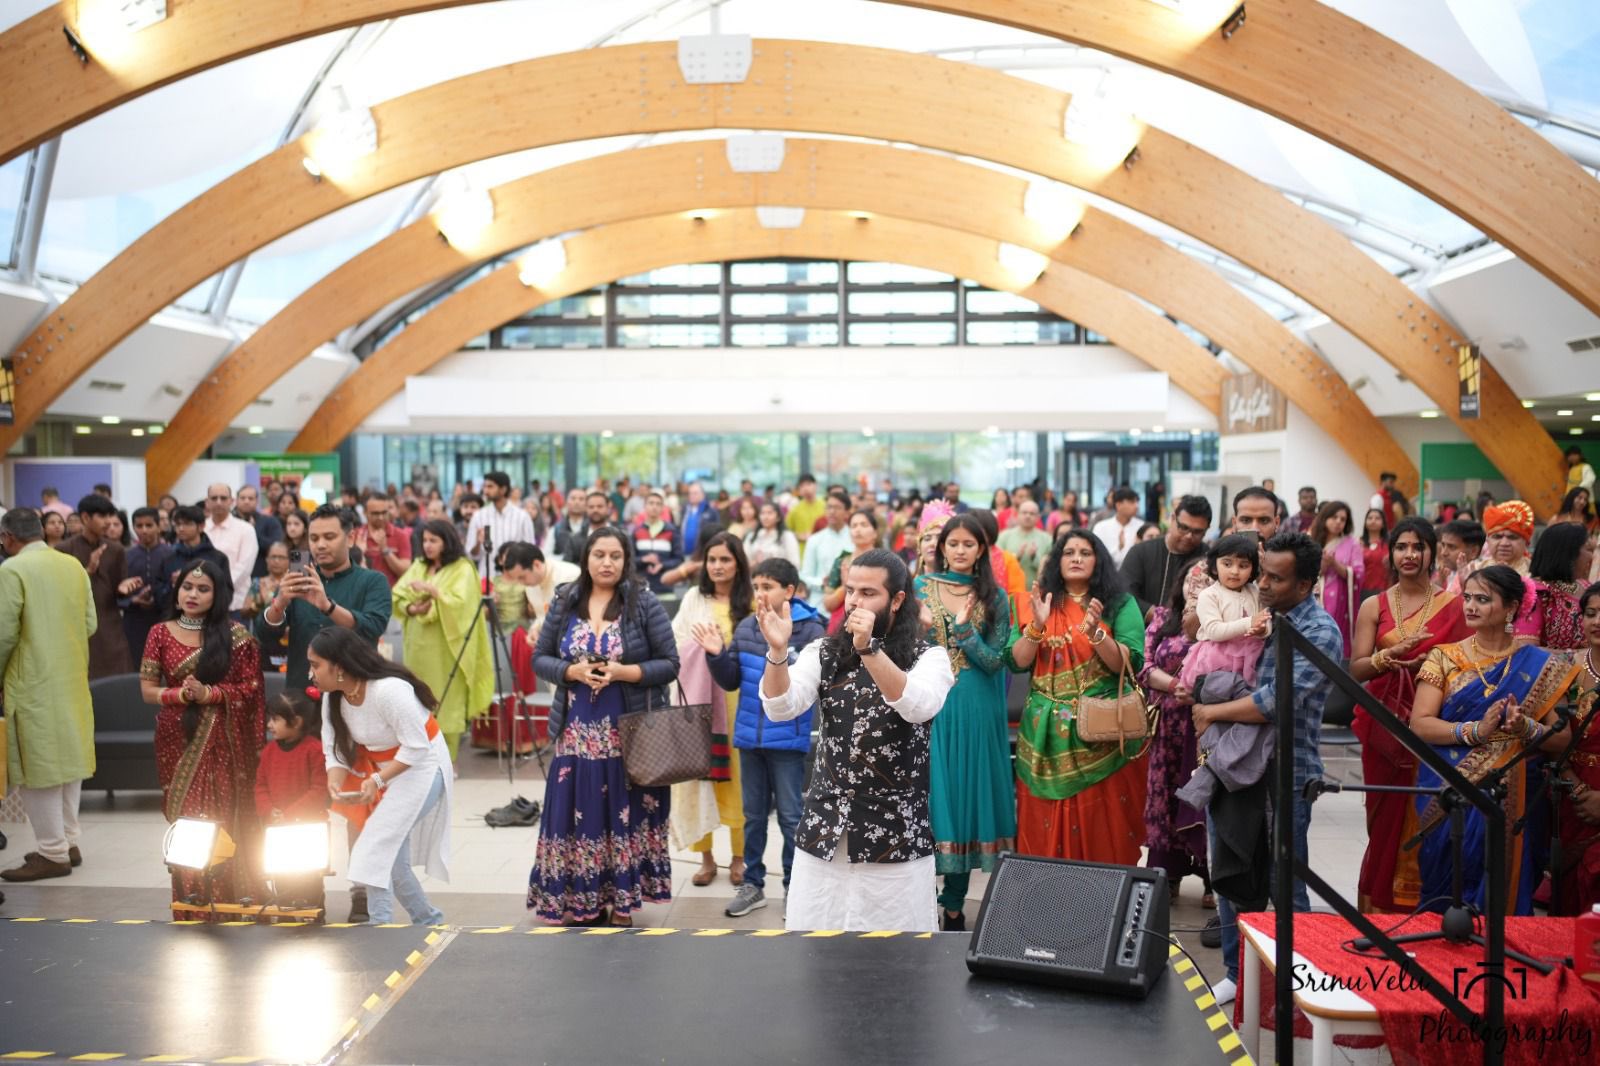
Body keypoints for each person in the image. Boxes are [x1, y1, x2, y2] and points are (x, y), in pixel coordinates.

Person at [758, 548, 955, 932]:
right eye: (850, 591)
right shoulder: (824, 651)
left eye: (868, 593)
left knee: (894, 961)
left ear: (897, 600)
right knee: (814, 952)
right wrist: (778, 652)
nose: (854, 602)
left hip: (895, 840)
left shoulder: (929, 658)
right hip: (825, 831)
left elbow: (917, 705)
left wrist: (869, 650)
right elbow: (780, 707)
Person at [1191, 532, 1344, 1004]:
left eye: (1276, 579)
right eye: (1264, 574)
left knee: (1284, 882)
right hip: (1235, 765)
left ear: (1306, 584)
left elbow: (1273, 702)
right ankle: (1237, 976)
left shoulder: (1320, 630)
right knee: (1233, 872)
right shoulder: (1261, 617)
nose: (1265, 584)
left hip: (1287, 771)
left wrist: (1213, 712)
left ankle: (1297, 984)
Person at [1403, 565, 1579, 915]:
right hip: (1447, 785)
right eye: (1468, 598)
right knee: (1444, 875)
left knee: (1500, 883)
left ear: (1512, 607)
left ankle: (1498, 950)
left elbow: (1562, 741)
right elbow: (1419, 724)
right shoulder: (1445, 657)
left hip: (1511, 794)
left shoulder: (1543, 665)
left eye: (1483, 599)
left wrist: (1524, 727)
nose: (1470, 606)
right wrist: (1475, 732)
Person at [529, 527, 679, 926]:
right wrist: (572, 670)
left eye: (615, 555)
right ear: (586, 559)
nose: (607, 563)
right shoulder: (565, 599)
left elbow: (669, 663)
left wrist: (623, 672)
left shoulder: (644, 603)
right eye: (599, 555)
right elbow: (540, 658)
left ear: (626, 560)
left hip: (627, 733)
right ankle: (579, 899)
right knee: (575, 813)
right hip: (575, 733)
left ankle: (621, 902)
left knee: (622, 814)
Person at [1349, 517, 1469, 913]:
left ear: (1433, 552)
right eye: (1401, 546)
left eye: (1419, 546)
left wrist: (1431, 665)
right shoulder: (1374, 604)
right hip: (1383, 724)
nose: (1410, 555)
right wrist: (1390, 657)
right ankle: (1378, 910)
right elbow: (1357, 669)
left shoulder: (1455, 606)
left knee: (1425, 815)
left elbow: (1466, 666)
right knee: (1382, 817)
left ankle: (1418, 908)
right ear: (1390, 552)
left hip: (1432, 720)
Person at [1007, 529, 1146, 864]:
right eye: (1069, 552)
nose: (1077, 559)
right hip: (1043, 737)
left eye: (1085, 552)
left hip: (1100, 734)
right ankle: (1048, 898)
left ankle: (1103, 902)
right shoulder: (1037, 603)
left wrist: (1097, 632)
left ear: (1098, 560)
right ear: (1057, 561)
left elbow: (1128, 665)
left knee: (1102, 826)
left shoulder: (1119, 604)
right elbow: (1017, 660)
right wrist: (1037, 627)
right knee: (1042, 825)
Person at [701, 558, 826, 918]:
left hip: (788, 741)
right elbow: (730, 680)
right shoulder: (745, 627)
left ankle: (793, 887)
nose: (760, 593)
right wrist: (716, 656)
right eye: (757, 586)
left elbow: (811, 686)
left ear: (789, 591)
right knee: (753, 816)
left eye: (768, 586)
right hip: (750, 738)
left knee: (790, 816)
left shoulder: (810, 631)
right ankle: (752, 885)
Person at [139, 559, 266, 911]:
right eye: (187, 587)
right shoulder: (159, 633)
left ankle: (229, 898)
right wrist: (182, 695)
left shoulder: (236, 637)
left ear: (218, 595)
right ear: (177, 592)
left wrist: (209, 694)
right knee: (187, 818)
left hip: (224, 739)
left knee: (220, 814)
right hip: (176, 736)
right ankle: (191, 899)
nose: (192, 594)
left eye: (203, 589)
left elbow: (251, 688)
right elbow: (148, 691)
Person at [912, 514, 1016, 931]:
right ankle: (918, 902)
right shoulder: (919, 588)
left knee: (966, 803)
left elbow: (996, 662)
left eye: (968, 544)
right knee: (933, 801)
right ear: (941, 548)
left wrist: (964, 634)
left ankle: (952, 906)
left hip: (976, 709)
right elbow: (902, 648)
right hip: (931, 705)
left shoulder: (996, 597)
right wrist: (920, 629)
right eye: (952, 542)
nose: (958, 549)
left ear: (981, 550)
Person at [311, 626, 453, 926]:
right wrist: (335, 782)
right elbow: (333, 750)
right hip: (387, 770)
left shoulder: (388, 690)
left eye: (315, 665)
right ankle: (428, 920)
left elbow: (416, 748)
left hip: (424, 765)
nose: (311, 674)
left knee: (374, 845)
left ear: (338, 667)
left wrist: (377, 780)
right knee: (391, 858)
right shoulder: (333, 697)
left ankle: (381, 924)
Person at [0, 509, 97, 883]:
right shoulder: (73, 565)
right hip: (71, 675)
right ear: (42, 531)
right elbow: (90, 623)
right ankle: (69, 842)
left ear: (8, 538)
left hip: (31, 680)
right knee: (69, 761)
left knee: (37, 768)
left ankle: (51, 852)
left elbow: (5, 633)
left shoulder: (11, 571)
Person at [673, 532, 753, 887]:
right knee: (697, 779)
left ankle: (739, 858)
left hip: (739, 701)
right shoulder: (694, 597)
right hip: (699, 701)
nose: (718, 566)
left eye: (725, 560)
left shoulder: (750, 601)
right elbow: (675, 641)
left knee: (737, 779)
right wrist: (702, 647)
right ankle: (706, 859)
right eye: (712, 560)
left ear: (738, 563)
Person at [254, 504, 392, 691]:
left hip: (354, 691)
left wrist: (328, 607)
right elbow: (265, 636)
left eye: (329, 537)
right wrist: (279, 603)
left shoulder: (373, 581)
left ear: (350, 538)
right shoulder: (299, 579)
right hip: (301, 691)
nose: (320, 545)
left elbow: (373, 627)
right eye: (314, 538)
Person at [391, 520, 493, 761]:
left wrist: (433, 592)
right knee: (417, 699)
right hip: (417, 646)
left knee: (447, 703)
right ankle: (418, 757)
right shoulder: (418, 565)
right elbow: (398, 594)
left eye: (433, 541)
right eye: (424, 540)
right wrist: (413, 607)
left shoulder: (463, 568)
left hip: (448, 647)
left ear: (447, 542)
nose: (427, 546)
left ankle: (449, 758)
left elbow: (462, 604)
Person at [1140, 581, 1211, 908]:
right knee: (1166, 797)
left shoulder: (1223, 617)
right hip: (1168, 724)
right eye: (1192, 578)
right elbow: (1145, 665)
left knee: (1205, 795)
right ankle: (1166, 875)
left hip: (1207, 722)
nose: (1198, 584)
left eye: (1206, 578)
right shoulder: (1164, 617)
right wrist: (1175, 685)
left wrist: (1196, 691)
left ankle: (1212, 878)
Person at [254, 689, 329, 909]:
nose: (269, 724)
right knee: (282, 881)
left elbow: (318, 790)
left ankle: (313, 917)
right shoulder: (268, 752)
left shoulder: (314, 750)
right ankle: (286, 918)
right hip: (277, 828)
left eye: (275, 719)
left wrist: (289, 814)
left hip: (307, 829)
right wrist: (269, 811)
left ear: (296, 721)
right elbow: (260, 786)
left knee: (309, 882)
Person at [1553, 584, 1600, 916]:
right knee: (1570, 893)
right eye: (1591, 613)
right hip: (1571, 793)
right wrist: (1581, 790)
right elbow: (1553, 739)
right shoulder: (1565, 670)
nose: (1597, 621)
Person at [1177, 534, 1271, 692]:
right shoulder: (1209, 595)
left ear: (1253, 569)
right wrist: (1249, 623)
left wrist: (1262, 629)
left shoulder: (1254, 591)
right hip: (1218, 659)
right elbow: (1214, 631)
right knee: (1220, 695)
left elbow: (1264, 618)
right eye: (1227, 564)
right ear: (1214, 567)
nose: (1235, 571)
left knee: (1248, 699)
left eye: (1243, 566)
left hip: (1252, 656)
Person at [59, 492, 132, 678]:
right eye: (102, 516)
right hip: (78, 625)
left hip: (110, 624)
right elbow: (61, 592)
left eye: (109, 515)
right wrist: (89, 570)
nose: (108, 521)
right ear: (85, 517)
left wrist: (125, 589)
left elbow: (120, 589)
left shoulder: (116, 550)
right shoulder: (64, 549)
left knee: (118, 679)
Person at [1119, 495, 1212, 620]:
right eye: (1184, 528)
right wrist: (1158, 616)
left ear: (1206, 530)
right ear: (1173, 519)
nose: (1189, 536)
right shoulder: (1141, 552)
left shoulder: (1209, 557)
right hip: (1141, 631)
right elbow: (1124, 592)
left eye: (1197, 532)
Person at [1524, 521, 1593, 651]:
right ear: (1570, 554)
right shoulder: (1535, 593)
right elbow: (1528, 650)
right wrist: (1581, 656)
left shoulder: (1589, 588)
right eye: (1588, 549)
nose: (1591, 556)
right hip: (1550, 670)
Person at [120, 506, 175, 661]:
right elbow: (116, 591)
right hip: (134, 621)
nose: (144, 530)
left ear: (158, 527)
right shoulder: (126, 556)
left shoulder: (171, 554)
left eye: (149, 525)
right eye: (139, 526)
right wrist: (132, 600)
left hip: (165, 619)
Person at [1310, 500, 1363, 656]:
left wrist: (1335, 564)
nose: (1338, 522)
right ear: (1325, 517)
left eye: (1343, 519)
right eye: (1334, 517)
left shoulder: (1352, 544)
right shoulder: (1312, 540)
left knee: (1334, 639)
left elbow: (1358, 573)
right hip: (1314, 599)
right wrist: (1323, 567)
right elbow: (1304, 571)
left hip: (1340, 601)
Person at [467, 471, 536, 579]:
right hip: (487, 579)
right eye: (484, 486)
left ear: (503, 489)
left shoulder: (522, 517)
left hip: (516, 580)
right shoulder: (478, 516)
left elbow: (530, 551)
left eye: (490, 487)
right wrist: (477, 542)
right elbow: (472, 556)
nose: (485, 491)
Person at [822, 509, 884, 629]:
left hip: (877, 621)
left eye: (864, 525)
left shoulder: (885, 562)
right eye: (854, 526)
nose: (858, 529)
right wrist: (846, 587)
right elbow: (828, 605)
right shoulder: (842, 562)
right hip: (842, 623)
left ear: (875, 532)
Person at [202, 483, 258, 614]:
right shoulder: (201, 528)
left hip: (235, 604)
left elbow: (244, 567)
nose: (219, 502)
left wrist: (218, 588)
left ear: (232, 501)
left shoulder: (246, 529)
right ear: (207, 502)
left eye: (223, 498)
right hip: (203, 604)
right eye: (214, 498)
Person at [798, 490, 852, 607]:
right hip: (820, 604)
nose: (832, 511)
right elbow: (805, 576)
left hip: (850, 602)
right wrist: (822, 583)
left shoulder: (854, 538)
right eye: (829, 507)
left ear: (847, 512)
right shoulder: (815, 540)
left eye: (837, 507)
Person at [353, 493, 413, 587]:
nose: (381, 517)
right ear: (365, 513)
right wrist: (359, 552)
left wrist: (385, 550)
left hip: (392, 596)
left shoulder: (400, 535)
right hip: (362, 594)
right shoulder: (356, 535)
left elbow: (405, 571)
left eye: (384, 513)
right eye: (375, 513)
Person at [167, 505, 231, 590]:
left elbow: (226, 591)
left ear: (201, 526)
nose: (181, 528)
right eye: (178, 524)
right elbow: (159, 589)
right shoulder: (169, 556)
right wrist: (173, 585)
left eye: (187, 524)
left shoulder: (218, 558)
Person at [629, 491, 682, 595]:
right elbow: (629, 561)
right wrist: (643, 559)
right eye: (651, 503)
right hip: (641, 589)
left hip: (665, 588)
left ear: (663, 508)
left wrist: (662, 565)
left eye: (658, 504)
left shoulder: (672, 531)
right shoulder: (637, 531)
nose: (654, 507)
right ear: (645, 506)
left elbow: (679, 559)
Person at [997, 498, 1053, 590]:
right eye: (1024, 512)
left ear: (1038, 517)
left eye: (1032, 513)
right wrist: (1015, 557)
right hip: (1009, 593)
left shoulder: (1047, 539)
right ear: (1017, 514)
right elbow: (997, 564)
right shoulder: (1003, 537)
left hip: (1038, 592)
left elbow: (1050, 568)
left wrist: (1034, 557)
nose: (1028, 516)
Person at [235, 485, 284, 580]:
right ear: (236, 500)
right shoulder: (230, 524)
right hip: (233, 579)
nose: (246, 501)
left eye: (250, 498)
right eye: (243, 498)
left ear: (257, 501)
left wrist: (252, 531)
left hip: (260, 579)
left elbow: (276, 548)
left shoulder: (270, 521)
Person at [1091, 486, 1142, 567]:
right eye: (1132, 502)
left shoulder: (1141, 526)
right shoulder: (1101, 528)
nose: (1136, 506)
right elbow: (1097, 557)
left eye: (1137, 502)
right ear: (1118, 505)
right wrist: (1119, 548)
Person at [745, 500, 800, 568]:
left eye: (770, 513)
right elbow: (745, 562)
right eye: (762, 513)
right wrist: (756, 562)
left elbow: (794, 564)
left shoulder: (787, 536)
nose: (765, 517)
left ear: (778, 517)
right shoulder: (752, 536)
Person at [1435, 518, 1483, 593]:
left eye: (1452, 547)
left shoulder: (1482, 580)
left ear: (1473, 551)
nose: (1443, 553)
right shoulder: (1448, 573)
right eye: (1443, 545)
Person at [1358, 507, 1390, 601]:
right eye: (1370, 518)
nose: (1373, 521)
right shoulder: (1358, 544)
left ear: (1383, 523)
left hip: (1384, 589)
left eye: (1377, 518)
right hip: (1362, 590)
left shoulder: (1390, 544)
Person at [552, 491, 592, 565]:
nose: (577, 502)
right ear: (566, 503)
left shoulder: (593, 527)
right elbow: (546, 554)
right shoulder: (556, 528)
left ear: (587, 504)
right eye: (573, 498)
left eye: (581, 499)